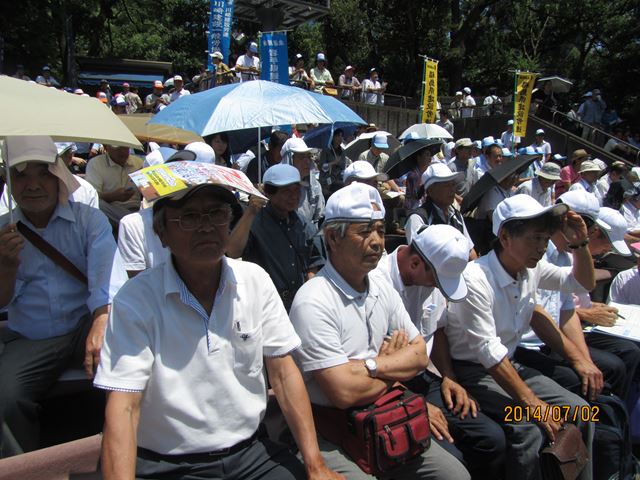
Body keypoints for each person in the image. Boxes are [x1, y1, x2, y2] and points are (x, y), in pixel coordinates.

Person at [95, 182, 342, 480]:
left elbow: (284, 374)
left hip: (251, 455)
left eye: (217, 214)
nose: (206, 226)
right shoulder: (136, 300)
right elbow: (124, 407)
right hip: (171, 465)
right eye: (189, 217)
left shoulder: (254, 279)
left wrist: (315, 465)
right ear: (161, 234)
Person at [290, 182, 471, 479]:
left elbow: (418, 357)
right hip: (335, 429)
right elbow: (343, 393)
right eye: (364, 232)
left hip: (388, 413)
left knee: (455, 474)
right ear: (333, 238)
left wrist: (370, 366)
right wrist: (391, 367)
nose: (377, 242)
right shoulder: (314, 300)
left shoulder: (380, 288)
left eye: (379, 229)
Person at [446, 194, 596, 480]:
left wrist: (580, 244)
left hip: (507, 363)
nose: (542, 248)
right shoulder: (475, 279)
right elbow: (487, 351)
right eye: (534, 239)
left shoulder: (531, 268)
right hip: (474, 371)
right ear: (504, 237)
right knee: (526, 428)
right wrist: (533, 404)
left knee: (581, 411)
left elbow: (581, 282)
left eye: (544, 239)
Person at [0, 136, 127, 457]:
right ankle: (25, 468)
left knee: (132, 364)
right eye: (21, 175)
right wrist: (6, 267)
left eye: (43, 172)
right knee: (5, 396)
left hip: (86, 323)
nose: (33, 185)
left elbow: (107, 279)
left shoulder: (89, 220)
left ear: (58, 175)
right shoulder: (4, 231)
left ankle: (130, 452)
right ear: (9, 181)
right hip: (31, 336)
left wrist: (101, 321)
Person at [376, 224, 506, 479]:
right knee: (450, 458)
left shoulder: (429, 283)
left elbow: (438, 329)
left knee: (491, 439)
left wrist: (449, 376)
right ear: (415, 264)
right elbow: (372, 365)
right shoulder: (377, 285)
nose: (438, 287)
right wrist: (414, 404)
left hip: (422, 378)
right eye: (436, 280)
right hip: (388, 388)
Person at [227, 164, 314, 311]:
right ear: (268, 192)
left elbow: (313, 260)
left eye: (296, 190)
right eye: (287, 191)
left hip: (299, 303)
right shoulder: (254, 221)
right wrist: (251, 211)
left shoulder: (302, 222)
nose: (294, 196)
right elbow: (232, 252)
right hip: (266, 305)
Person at [405, 163, 476, 258]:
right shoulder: (417, 218)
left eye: (453, 184)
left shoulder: (456, 216)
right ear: (430, 190)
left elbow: (470, 250)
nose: (452, 190)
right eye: (446, 185)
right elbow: (419, 257)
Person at [280, 137, 326, 255]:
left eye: (308, 157)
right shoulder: (277, 188)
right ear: (289, 159)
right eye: (301, 157)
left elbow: (319, 218)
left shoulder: (315, 186)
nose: (307, 161)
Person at [84, 144, 144, 221]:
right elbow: (91, 196)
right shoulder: (96, 164)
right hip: (111, 210)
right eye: (117, 147)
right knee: (96, 204)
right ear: (106, 147)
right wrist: (112, 196)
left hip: (138, 210)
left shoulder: (138, 163)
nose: (122, 151)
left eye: (125, 147)